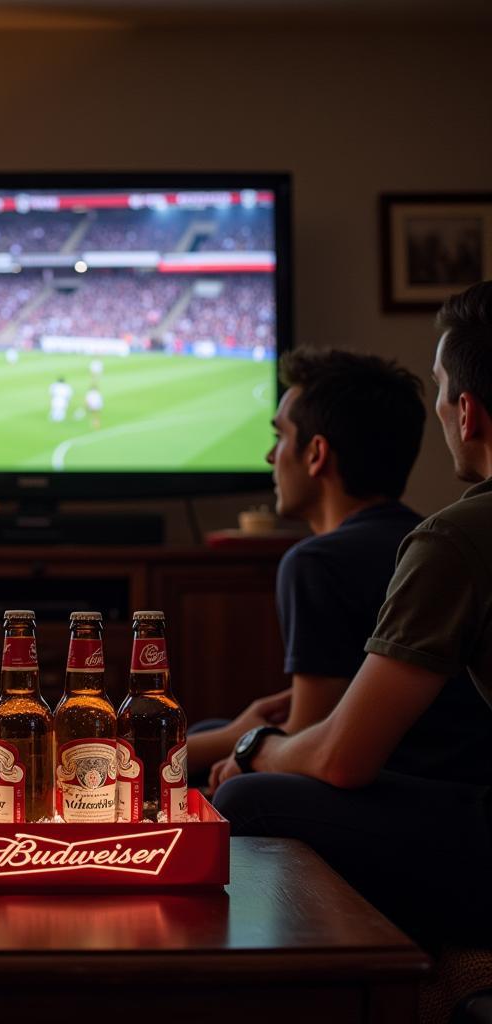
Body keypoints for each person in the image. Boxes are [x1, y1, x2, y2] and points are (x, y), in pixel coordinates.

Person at [212, 281, 492, 946]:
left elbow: (341, 760)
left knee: (246, 794)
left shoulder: (458, 538)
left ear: (468, 412)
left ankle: (335, 972)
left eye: (442, 385)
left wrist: (254, 747)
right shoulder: (431, 533)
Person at [188, 349, 492, 788]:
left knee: (244, 787)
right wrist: (237, 734)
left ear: (316, 454)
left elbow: (303, 734)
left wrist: (241, 741)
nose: (272, 458)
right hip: (458, 778)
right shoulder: (423, 536)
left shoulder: (316, 563)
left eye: (280, 437)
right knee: (212, 735)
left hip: (413, 790)